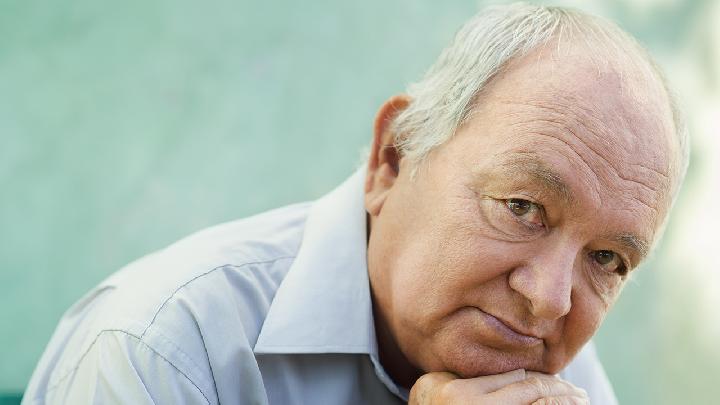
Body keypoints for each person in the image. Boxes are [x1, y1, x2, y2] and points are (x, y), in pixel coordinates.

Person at [23, 3, 688, 404]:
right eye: (521, 206)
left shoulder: (555, 364)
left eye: (606, 257)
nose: (551, 297)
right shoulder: (164, 347)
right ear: (393, 158)